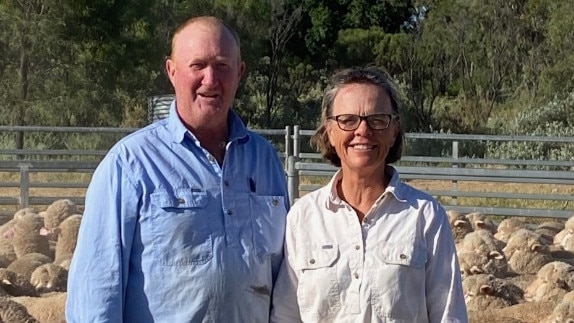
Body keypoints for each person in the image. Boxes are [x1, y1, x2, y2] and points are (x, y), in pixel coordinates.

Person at [66, 16, 290, 322]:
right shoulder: (131, 164)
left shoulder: (265, 160)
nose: (210, 79)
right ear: (172, 71)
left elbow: (283, 278)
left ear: (240, 73)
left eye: (222, 65)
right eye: (197, 65)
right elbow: (96, 288)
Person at [270, 66, 468, 322]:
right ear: (329, 131)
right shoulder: (304, 217)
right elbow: (287, 315)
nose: (363, 131)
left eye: (378, 120)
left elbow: (448, 315)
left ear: (394, 129)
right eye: (348, 120)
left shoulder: (425, 215)